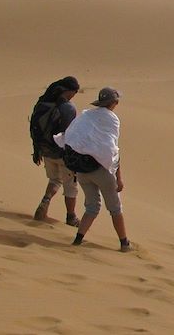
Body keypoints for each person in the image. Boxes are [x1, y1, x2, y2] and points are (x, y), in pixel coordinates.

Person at [55, 87, 131, 252]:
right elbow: (111, 150)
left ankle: (78, 240)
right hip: (100, 171)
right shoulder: (112, 119)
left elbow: (69, 136)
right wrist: (119, 177)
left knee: (91, 207)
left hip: (82, 170)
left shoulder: (86, 115)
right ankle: (124, 243)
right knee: (115, 208)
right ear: (114, 103)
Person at [30, 76, 82, 225]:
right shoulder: (68, 108)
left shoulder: (42, 103)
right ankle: (71, 217)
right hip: (62, 153)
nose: (74, 95)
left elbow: (34, 127)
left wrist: (37, 150)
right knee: (71, 187)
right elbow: (70, 134)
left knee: (54, 179)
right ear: (68, 91)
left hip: (45, 150)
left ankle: (45, 200)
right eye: (74, 92)